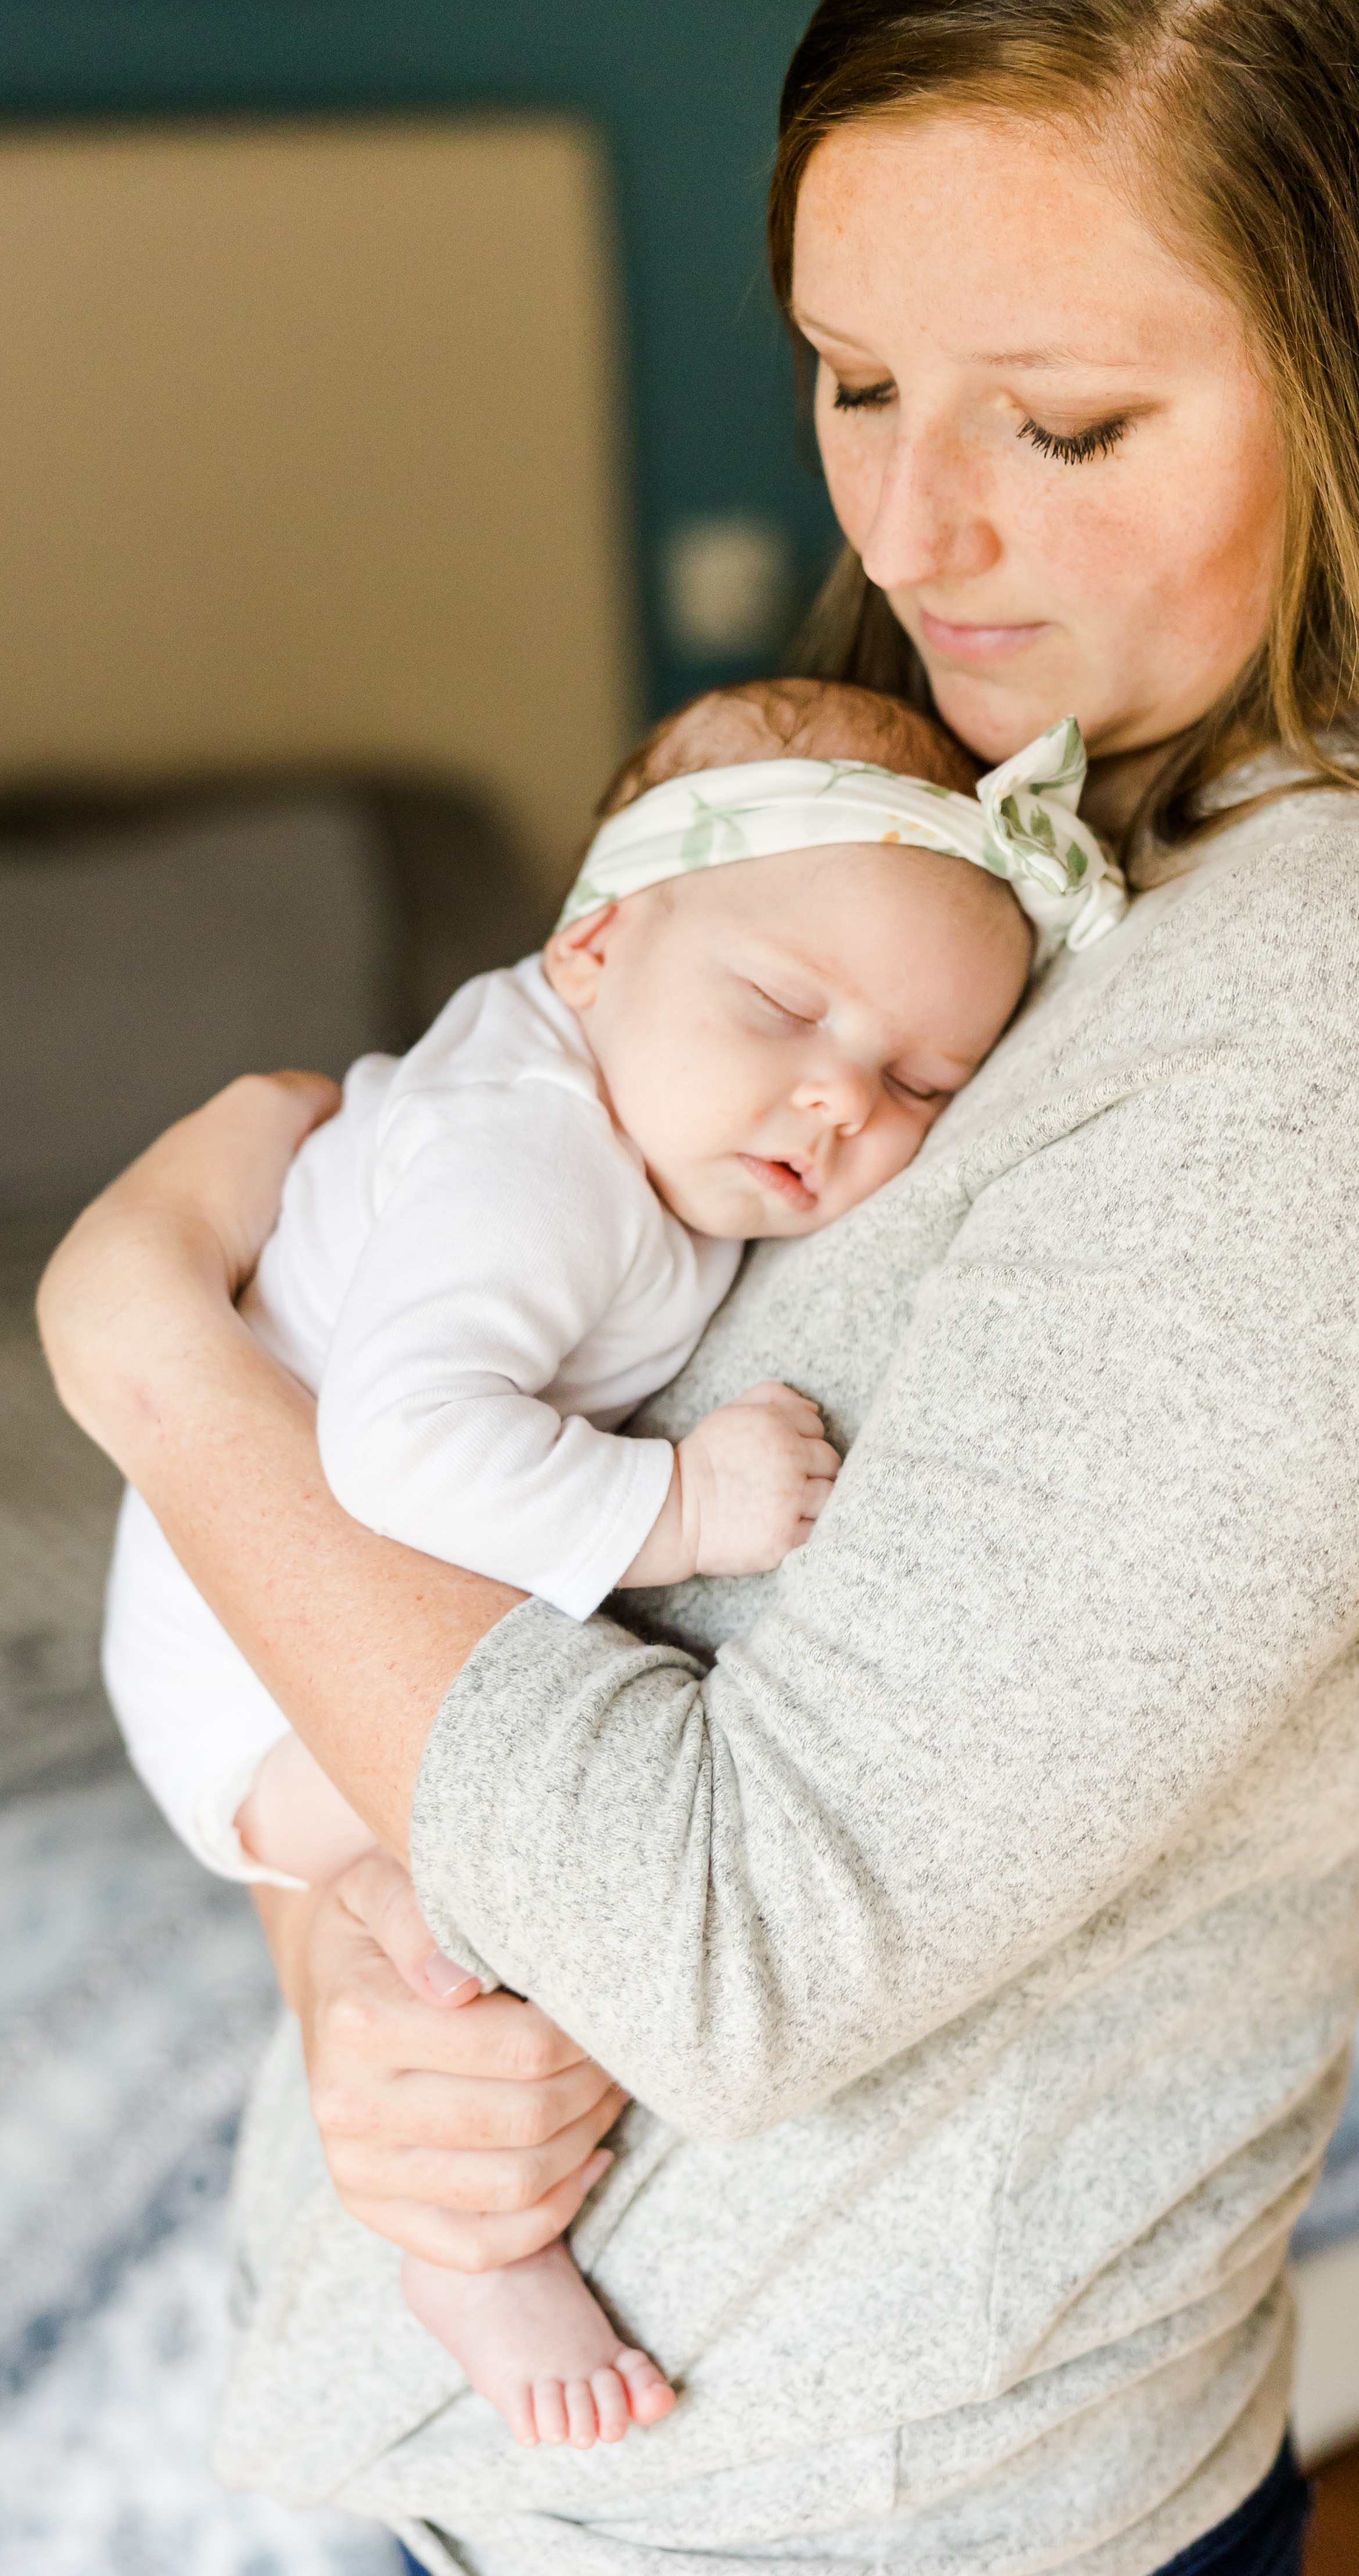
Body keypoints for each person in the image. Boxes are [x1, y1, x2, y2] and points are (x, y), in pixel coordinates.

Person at [39, 0, 1359, 2576]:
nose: (913, 529)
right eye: (855, 379)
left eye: (1063, 421)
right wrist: (348, 1947)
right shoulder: (938, 854)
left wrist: (147, 1354)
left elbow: (738, 1935)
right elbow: (487, 1660)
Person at [101, 675, 1120, 2449]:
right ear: (593, 949)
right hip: (247, 1660)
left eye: (920, 1082)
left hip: (256, 1629)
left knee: (471, 1881)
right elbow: (397, 1447)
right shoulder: (534, 1155)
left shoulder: (632, 1110)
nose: (835, 1104)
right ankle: (469, 2260)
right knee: (520, 1906)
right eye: (782, 1008)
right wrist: (681, 1510)